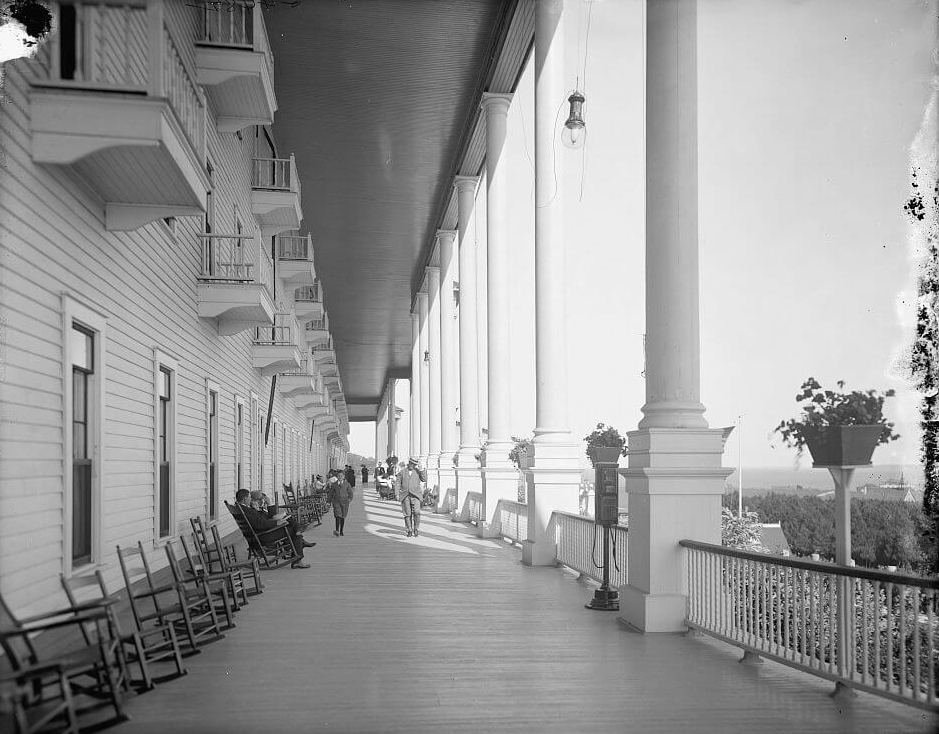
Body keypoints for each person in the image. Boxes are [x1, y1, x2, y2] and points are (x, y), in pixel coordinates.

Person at [235, 489, 314, 569]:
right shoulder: (247, 510)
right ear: (245, 499)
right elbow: (260, 524)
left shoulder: (242, 509)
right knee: (292, 531)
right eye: (249, 497)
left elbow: (261, 521)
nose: (250, 499)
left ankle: (296, 547)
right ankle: (297, 558)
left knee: (292, 528)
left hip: (259, 535)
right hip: (263, 536)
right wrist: (276, 523)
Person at [395, 457, 426, 538]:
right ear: (409, 463)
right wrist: (397, 493)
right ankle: (409, 530)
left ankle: (416, 528)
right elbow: (397, 483)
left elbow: (424, 479)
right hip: (405, 495)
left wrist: (422, 469)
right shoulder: (402, 472)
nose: (413, 465)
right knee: (407, 514)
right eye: (411, 464)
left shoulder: (418, 471)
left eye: (414, 464)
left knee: (417, 512)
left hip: (416, 495)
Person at [327, 471, 353, 536]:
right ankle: (337, 531)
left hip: (345, 502)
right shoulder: (334, 484)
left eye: (341, 476)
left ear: (344, 477)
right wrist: (328, 502)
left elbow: (350, 493)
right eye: (338, 476)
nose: (340, 477)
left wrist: (349, 499)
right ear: (337, 477)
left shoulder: (347, 484)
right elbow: (330, 494)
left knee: (342, 516)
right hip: (336, 502)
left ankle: (341, 530)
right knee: (337, 515)